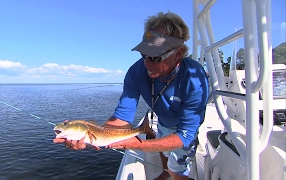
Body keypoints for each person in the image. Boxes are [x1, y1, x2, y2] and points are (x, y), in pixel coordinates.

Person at [54, 11, 209, 180]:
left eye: (155, 57)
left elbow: (185, 134)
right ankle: (165, 172)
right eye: (144, 54)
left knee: (177, 169)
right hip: (164, 122)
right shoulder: (136, 72)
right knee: (164, 155)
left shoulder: (195, 80)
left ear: (178, 53)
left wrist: (141, 145)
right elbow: (121, 117)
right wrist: (95, 135)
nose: (147, 63)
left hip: (183, 129)